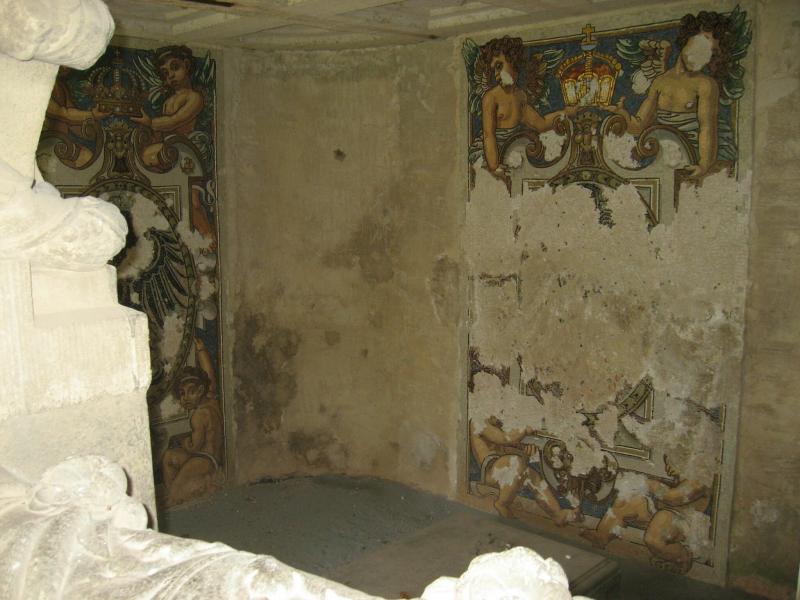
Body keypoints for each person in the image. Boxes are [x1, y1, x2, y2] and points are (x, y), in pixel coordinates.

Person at [608, 10, 737, 178]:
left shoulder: (705, 84)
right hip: (667, 151)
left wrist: (704, 164)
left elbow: (707, 128)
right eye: (702, 42)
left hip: (692, 152)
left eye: (711, 51)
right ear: (687, 38)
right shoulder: (660, 82)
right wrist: (623, 115)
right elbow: (638, 127)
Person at [473, 37, 575, 191]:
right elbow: (489, 135)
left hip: (511, 152)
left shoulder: (520, 96)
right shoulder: (491, 97)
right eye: (494, 69)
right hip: (491, 153)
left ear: (513, 61)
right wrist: (494, 167)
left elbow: (540, 123)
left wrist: (565, 113)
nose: (496, 74)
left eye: (499, 66)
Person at [580, 457, 711, 574]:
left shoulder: (699, 479)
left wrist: (649, 484)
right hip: (664, 511)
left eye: (673, 461)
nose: (668, 467)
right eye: (667, 462)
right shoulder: (684, 474)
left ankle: (682, 556)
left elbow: (672, 498)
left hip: (685, 522)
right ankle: (602, 535)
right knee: (627, 501)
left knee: (658, 528)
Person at [470, 416, 581, 526]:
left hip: (503, 470)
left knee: (534, 477)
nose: (500, 415)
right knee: (515, 461)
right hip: (490, 470)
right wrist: (525, 429)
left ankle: (557, 514)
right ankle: (502, 504)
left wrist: (525, 455)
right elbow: (505, 439)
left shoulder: (495, 425)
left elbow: (509, 449)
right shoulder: (478, 420)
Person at [161, 337, 223, 506]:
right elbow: (210, 376)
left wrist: (184, 442)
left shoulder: (198, 415)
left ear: (201, 390)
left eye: (191, 392)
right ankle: (174, 493)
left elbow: (194, 447)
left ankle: (174, 497)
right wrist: (201, 350)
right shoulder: (212, 400)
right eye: (182, 394)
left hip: (204, 460)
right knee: (169, 457)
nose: (185, 398)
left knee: (174, 495)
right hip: (207, 458)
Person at [132, 45, 204, 169]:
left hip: (183, 147)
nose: (170, 75)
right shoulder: (168, 101)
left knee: (144, 157)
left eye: (175, 67)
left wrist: (150, 122)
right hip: (168, 146)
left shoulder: (194, 97)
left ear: (186, 65)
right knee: (138, 154)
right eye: (165, 73)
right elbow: (161, 132)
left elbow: (175, 121)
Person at [43, 66, 109, 168]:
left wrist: (90, 129)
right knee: (85, 157)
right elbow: (63, 113)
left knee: (88, 156)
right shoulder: (43, 86)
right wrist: (91, 114)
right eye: (63, 65)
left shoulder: (62, 87)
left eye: (67, 66)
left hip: (62, 139)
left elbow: (72, 116)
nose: (66, 68)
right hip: (48, 141)